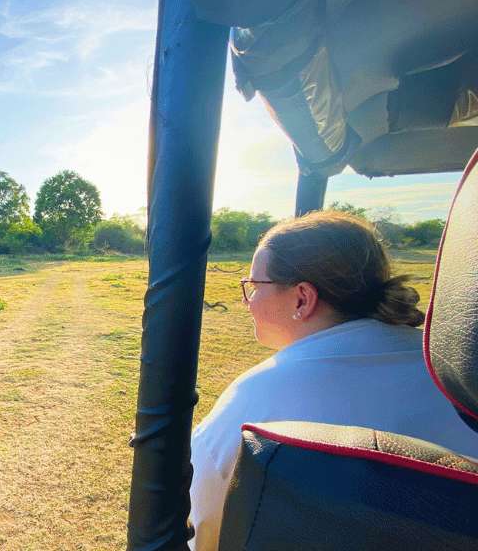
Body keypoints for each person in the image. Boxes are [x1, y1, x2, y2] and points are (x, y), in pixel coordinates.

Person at [188, 210, 478, 551]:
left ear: (302, 298)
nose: (247, 300)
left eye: (253, 286)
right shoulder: (449, 370)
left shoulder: (259, 396)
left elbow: (201, 526)